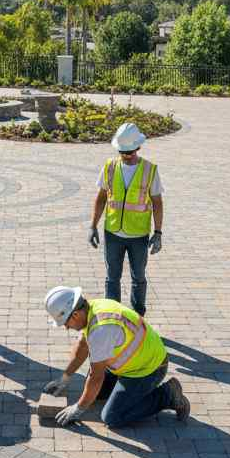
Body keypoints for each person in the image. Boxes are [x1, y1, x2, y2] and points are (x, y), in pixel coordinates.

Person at [42, 285, 189, 428]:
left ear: (75, 314)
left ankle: (168, 394)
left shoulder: (101, 329)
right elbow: (82, 346)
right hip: (129, 364)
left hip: (148, 369)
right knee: (95, 394)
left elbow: (96, 376)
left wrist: (78, 409)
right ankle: (127, 393)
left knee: (112, 416)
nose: (67, 328)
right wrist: (65, 377)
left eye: (65, 323)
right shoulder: (91, 308)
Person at [89, 122, 163, 316]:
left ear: (138, 148)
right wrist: (93, 226)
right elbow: (101, 198)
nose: (127, 156)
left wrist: (158, 232)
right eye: (123, 152)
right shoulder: (110, 167)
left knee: (138, 277)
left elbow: (157, 202)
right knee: (112, 277)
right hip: (113, 232)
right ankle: (113, 317)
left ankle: (138, 317)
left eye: (129, 152)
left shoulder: (150, 170)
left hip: (139, 234)